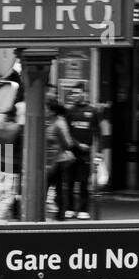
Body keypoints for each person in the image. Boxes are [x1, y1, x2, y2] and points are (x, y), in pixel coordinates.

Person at [64, 86, 97, 219]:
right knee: (70, 181)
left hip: (86, 153)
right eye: (74, 93)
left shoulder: (92, 111)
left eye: (78, 93)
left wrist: (99, 152)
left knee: (84, 182)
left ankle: (83, 210)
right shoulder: (70, 111)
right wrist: (78, 144)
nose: (76, 95)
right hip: (72, 152)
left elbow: (97, 131)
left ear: (85, 94)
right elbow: (66, 132)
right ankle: (70, 208)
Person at [44, 94, 73, 222]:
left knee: (59, 189)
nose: (44, 110)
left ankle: (61, 216)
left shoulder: (59, 123)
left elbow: (68, 143)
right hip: (47, 161)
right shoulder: (47, 121)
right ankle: (42, 214)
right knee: (44, 189)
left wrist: (57, 145)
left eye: (46, 108)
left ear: (52, 110)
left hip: (58, 161)